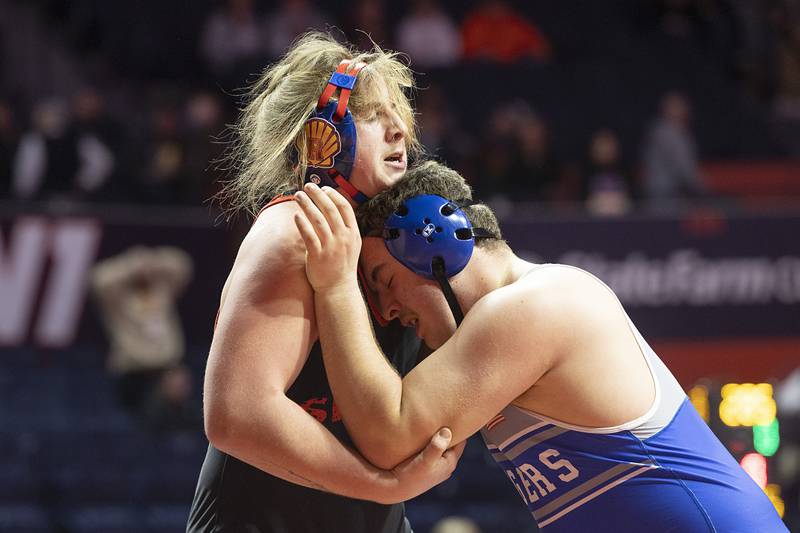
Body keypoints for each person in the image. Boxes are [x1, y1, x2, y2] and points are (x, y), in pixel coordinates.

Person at [291, 160, 789, 532]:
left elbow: (389, 434)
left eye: (383, 280)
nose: (389, 309)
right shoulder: (503, 330)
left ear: (432, 241)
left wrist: (335, 286)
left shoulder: (533, 304)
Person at [187, 33, 462, 533]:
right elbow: (236, 415)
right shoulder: (294, 232)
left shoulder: (408, 240)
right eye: (375, 115)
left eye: (399, 114)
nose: (401, 130)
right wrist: (385, 487)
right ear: (321, 134)